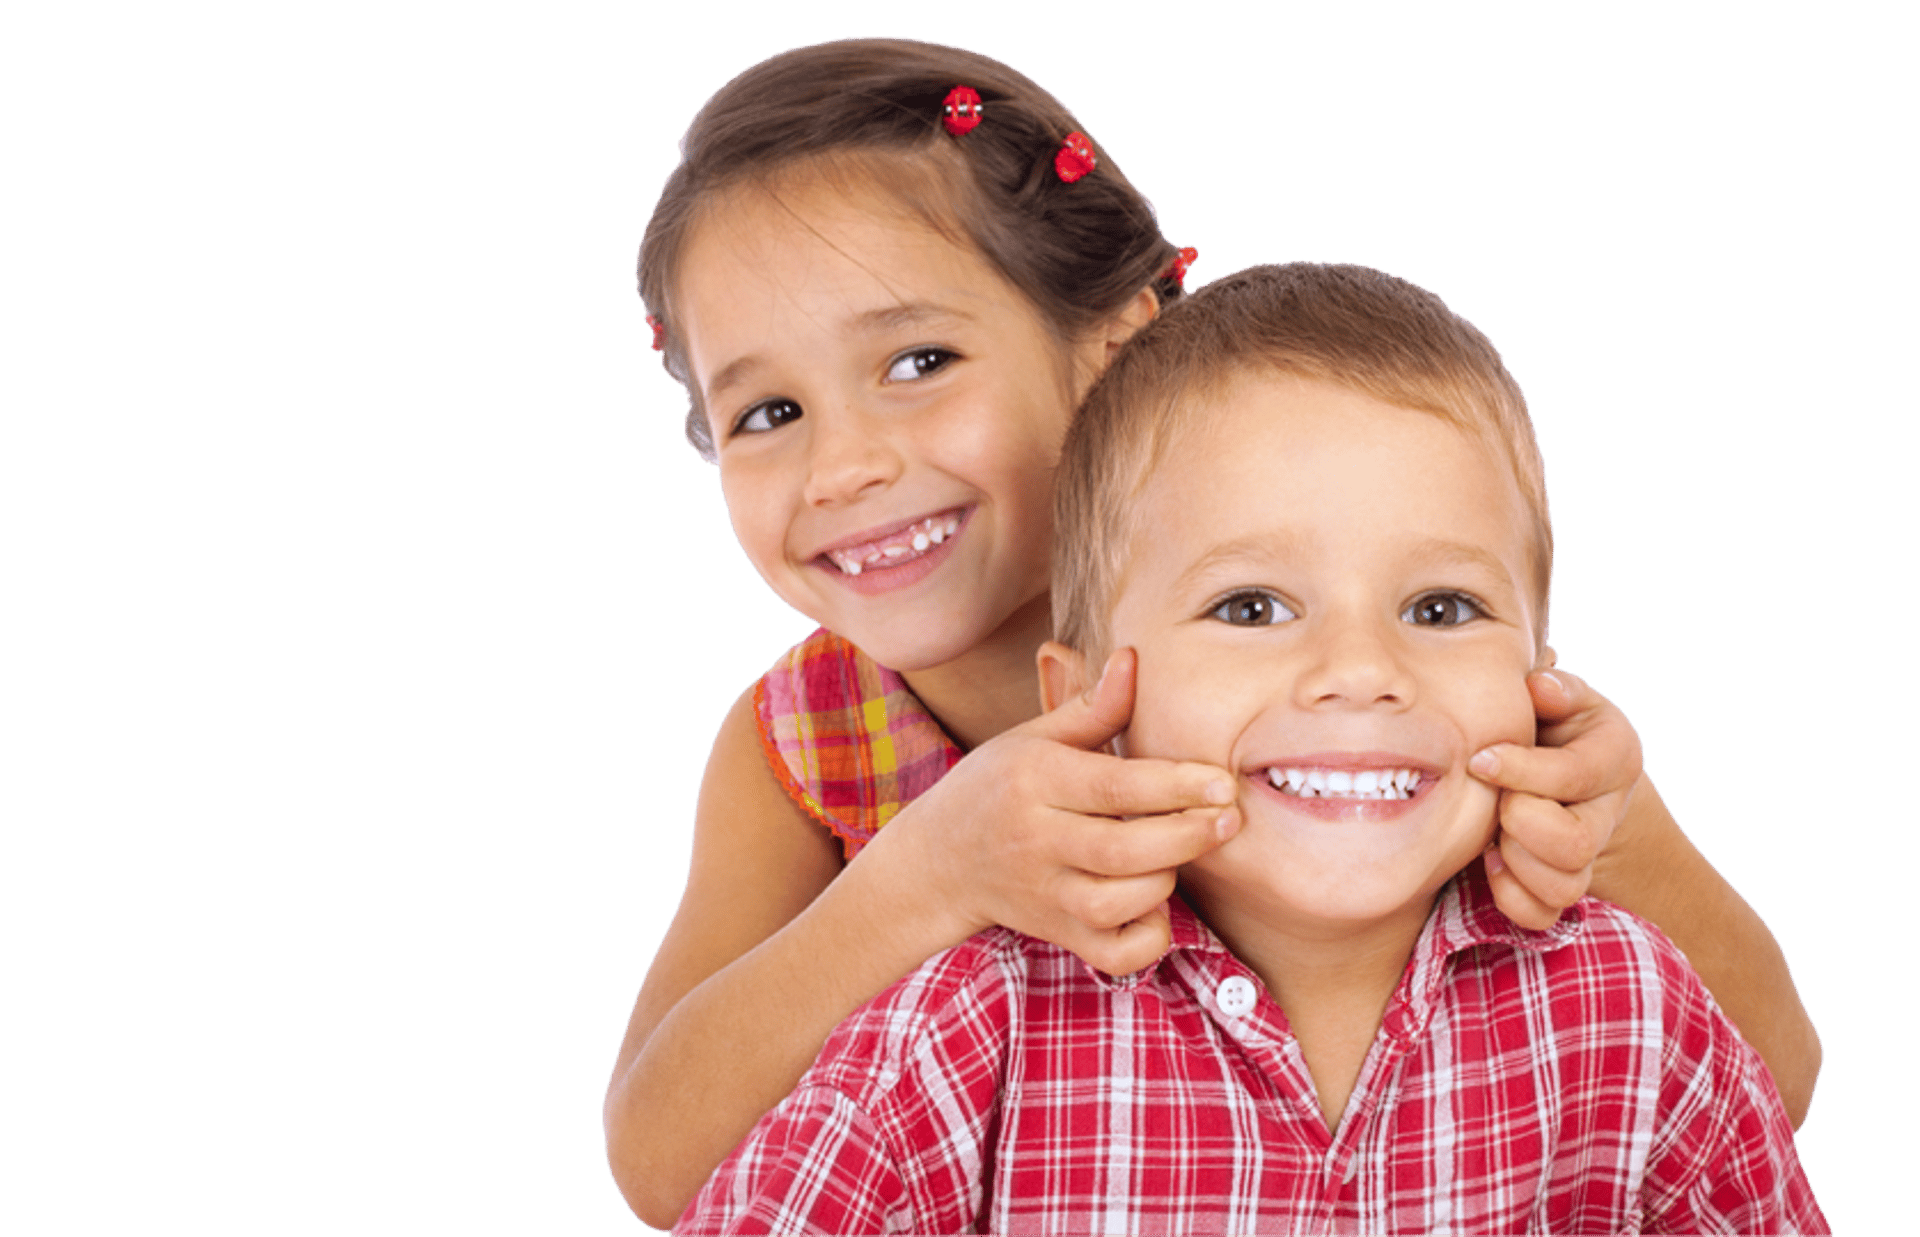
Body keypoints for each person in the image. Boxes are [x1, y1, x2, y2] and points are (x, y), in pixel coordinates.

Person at [605, 38, 1820, 1228]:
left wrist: (1607, 832)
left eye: (919, 359)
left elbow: (1768, 1079)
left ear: (1119, 344)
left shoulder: (1407, 683)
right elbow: (665, 1165)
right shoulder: (810, 742)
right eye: (767, 410)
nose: (844, 465)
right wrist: (929, 873)